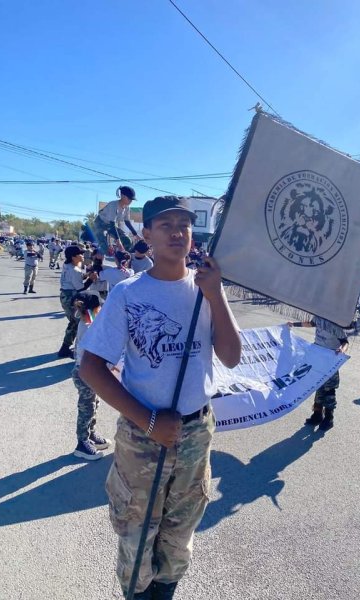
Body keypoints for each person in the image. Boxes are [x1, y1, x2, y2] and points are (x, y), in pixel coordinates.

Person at [79, 196, 241, 599]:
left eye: (183, 224)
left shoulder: (207, 287)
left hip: (195, 431)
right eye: (165, 224)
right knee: (137, 534)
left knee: (179, 534)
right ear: (147, 234)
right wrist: (149, 421)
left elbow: (232, 356)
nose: (176, 232)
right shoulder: (129, 295)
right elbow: (91, 367)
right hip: (142, 436)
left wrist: (216, 295)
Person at [287, 317, 349, 430]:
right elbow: (310, 323)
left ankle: (329, 417)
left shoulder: (335, 324)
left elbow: (345, 342)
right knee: (318, 385)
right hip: (318, 356)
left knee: (329, 389)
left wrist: (342, 350)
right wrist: (294, 324)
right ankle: (317, 414)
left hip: (330, 359)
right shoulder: (319, 317)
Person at [72, 291, 111, 460]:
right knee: (86, 408)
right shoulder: (89, 326)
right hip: (85, 373)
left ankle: (91, 434)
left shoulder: (88, 320)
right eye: (100, 306)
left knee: (94, 404)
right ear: (95, 309)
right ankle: (82, 442)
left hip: (88, 373)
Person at [58, 245, 97, 359]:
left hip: (67, 294)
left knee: (75, 322)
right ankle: (65, 349)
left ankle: (65, 348)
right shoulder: (73, 269)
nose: (82, 255)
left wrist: (86, 275)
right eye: (80, 254)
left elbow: (77, 278)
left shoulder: (70, 265)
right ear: (73, 257)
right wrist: (91, 279)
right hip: (71, 297)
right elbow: (81, 288)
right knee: (77, 322)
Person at [93, 186, 138, 255]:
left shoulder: (127, 208)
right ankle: (98, 261)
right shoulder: (113, 205)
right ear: (122, 196)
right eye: (129, 198)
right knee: (104, 246)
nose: (131, 201)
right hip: (100, 223)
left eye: (132, 199)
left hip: (110, 225)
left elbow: (127, 222)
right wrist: (118, 241)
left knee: (127, 240)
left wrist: (136, 234)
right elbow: (112, 224)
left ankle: (122, 257)